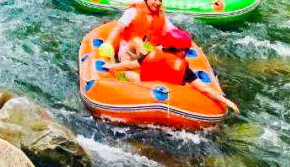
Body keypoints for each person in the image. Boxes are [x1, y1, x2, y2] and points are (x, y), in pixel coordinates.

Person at [101, 29, 240, 114]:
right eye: (184, 51)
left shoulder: (150, 56)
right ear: (176, 50)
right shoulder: (183, 68)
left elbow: (130, 66)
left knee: (129, 74)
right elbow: (203, 89)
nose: (186, 53)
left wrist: (111, 67)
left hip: (146, 88)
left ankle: (116, 64)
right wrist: (225, 100)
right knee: (190, 86)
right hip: (172, 95)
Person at [107, 0, 174, 61]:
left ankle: (150, 64)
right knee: (137, 41)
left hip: (150, 52)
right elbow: (117, 29)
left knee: (165, 47)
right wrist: (108, 43)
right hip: (128, 52)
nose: (158, 3)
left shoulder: (161, 16)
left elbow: (172, 31)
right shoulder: (132, 11)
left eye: (160, 0)